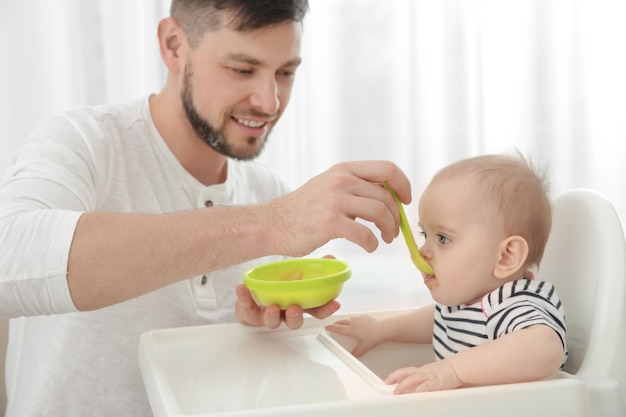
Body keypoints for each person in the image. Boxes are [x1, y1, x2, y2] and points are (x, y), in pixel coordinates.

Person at [0, 1, 413, 416]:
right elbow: (9, 257)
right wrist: (271, 223)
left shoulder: (267, 190)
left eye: (285, 73)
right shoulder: (84, 142)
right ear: (174, 45)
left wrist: (262, 333)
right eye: (241, 69)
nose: (269, 102)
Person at [325, 153, 567, 395]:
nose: (423, 251)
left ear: (506, 256)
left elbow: (546, 348)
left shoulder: (512, 305)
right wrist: (383, 329)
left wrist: (450, 371)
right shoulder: (465, 303)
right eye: (425, 235)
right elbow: (436, 320)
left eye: (443, 238)